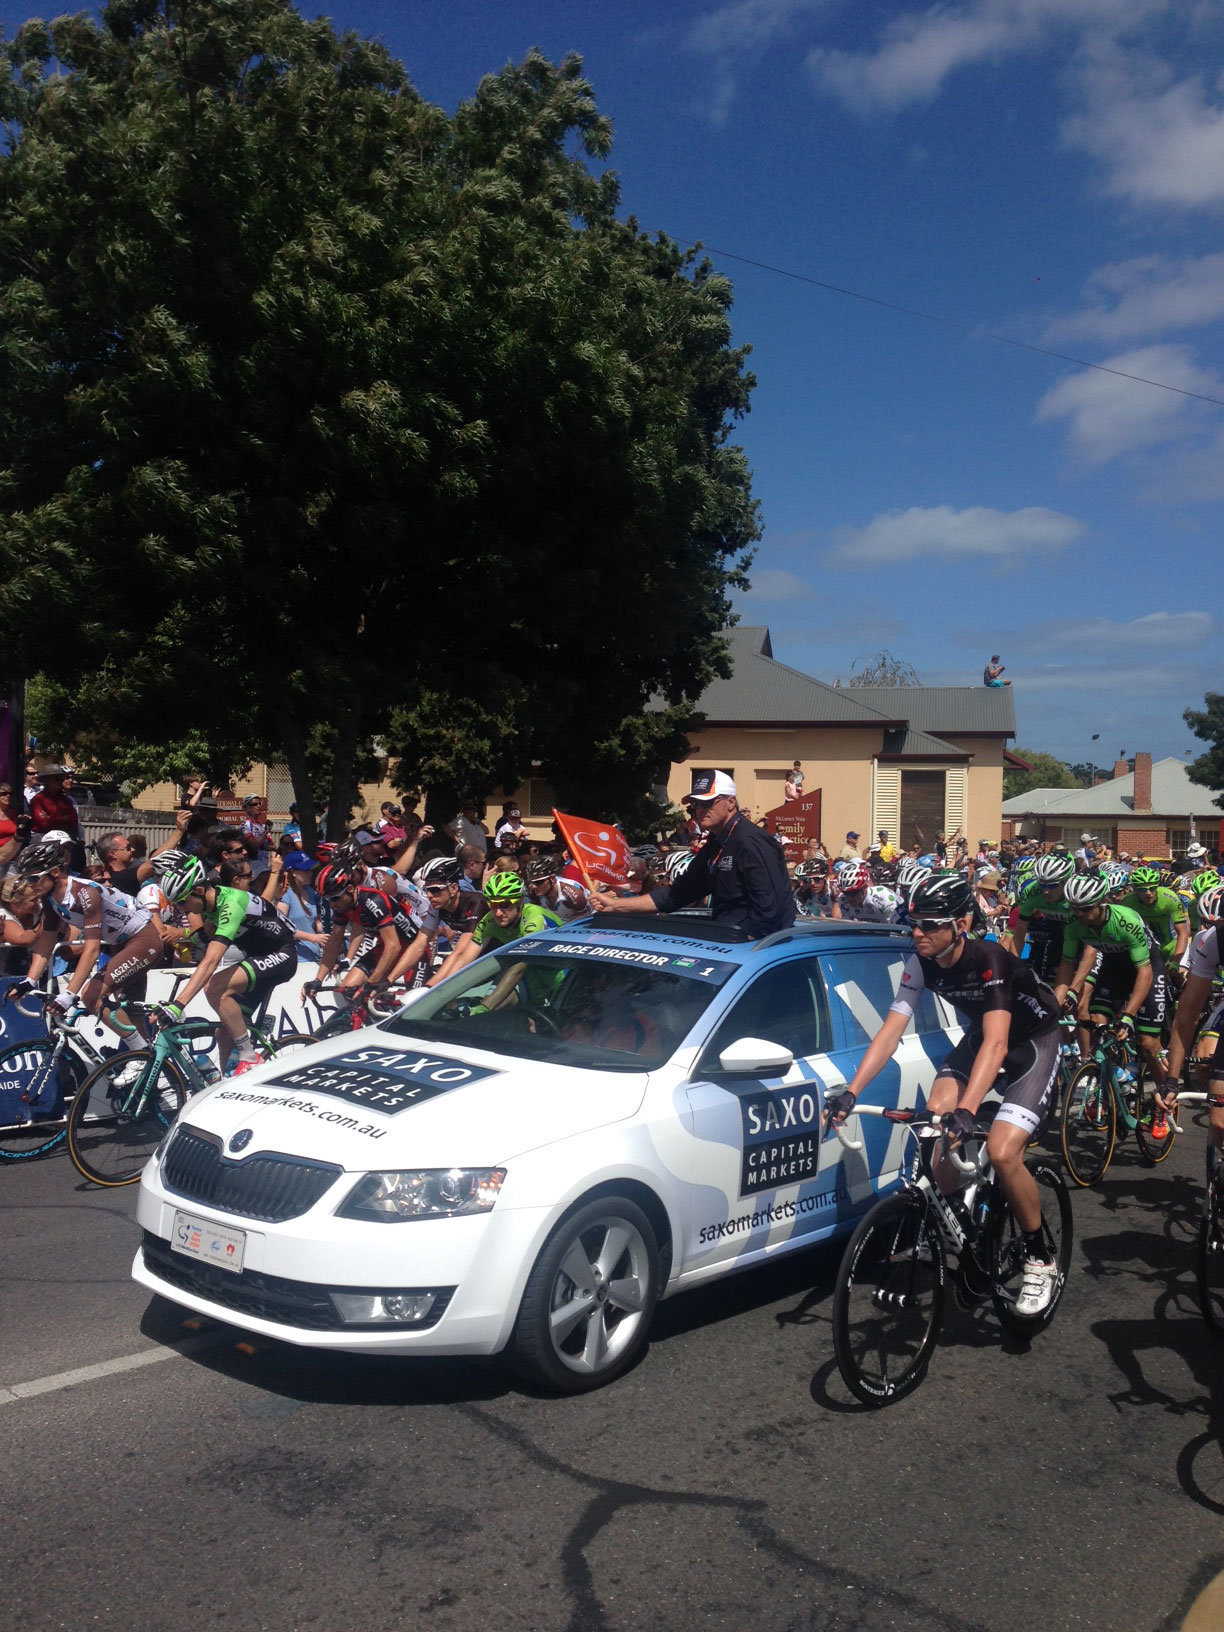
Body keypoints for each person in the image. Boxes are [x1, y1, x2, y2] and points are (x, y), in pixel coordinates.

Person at [825, 873, 1062, 1317]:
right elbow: (890, 1031)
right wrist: (852, 1091)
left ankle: (1039, 1258)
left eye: (931, 924)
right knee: (936, 1115)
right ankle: (964, 1224)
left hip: (1033, 1042)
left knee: (1003, 1149)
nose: (918, 933)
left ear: (963, 923)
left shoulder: (990, 959)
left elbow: (996, 1044)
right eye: (914, 923)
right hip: (988, 1036)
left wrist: (970, 1110)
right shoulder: (920, 961)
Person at [588, 771, 794, 939]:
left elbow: (770, 909)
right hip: (727, 946)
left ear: (731, 802)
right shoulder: (716, 843)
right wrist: (616, 905)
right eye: (695, 804)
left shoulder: (750, 840)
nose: (699, 809)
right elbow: (674, 895)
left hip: (756, 955)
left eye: (707, 803)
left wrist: (745, 945)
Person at [1053, 872, 1172, 1120]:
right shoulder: (1075, 924)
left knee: (1148, 1043)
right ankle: (1117, 1077)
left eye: (1085, 909)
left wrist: (1129, 1016)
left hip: (1147, 966)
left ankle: (1166, 1099)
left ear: (1101, 903)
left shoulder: (1125, 920)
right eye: (1075, 909)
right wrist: (1057, 1003)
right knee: (1097, 1023)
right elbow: (1066, 966)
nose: (1079, 915)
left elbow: (1144, 972)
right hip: (1114, 966)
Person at [171, 853, 296, 1073]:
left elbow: (211, 961)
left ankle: (249, 1055)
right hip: (259, 956)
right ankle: (226, 1083)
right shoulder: (210, 905)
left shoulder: (230, 903)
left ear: (199, 891)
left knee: (214, 987)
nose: (181, 908)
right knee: (224, 1033)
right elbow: (204, 935)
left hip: (282, 955)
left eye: (182, 901)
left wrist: (178, 1005)